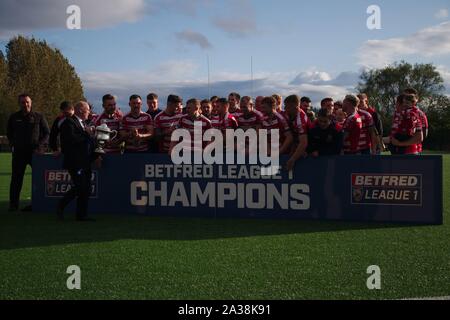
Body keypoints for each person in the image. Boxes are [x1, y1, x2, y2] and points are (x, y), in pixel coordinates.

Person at [57, 101, 101, 221]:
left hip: (85, 161)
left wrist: (96, 153)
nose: (89, 112)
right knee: (80, 186)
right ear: (81, 110)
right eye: (88, 110)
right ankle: (61, 205)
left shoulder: (84, 124)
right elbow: (71, 140)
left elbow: (89, 142)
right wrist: (87, 134)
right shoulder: (69, 123)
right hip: (75, 162)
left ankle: (81, 215)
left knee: (85, 189)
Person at [7, 94, 50, 212]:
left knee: (40, 178)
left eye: (27, 102)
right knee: (16, 179)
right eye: (22, 102)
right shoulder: (14, 117)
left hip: (35, 153)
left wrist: (41, 147)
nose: (25, 104)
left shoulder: (38, 116)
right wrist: (13, 144)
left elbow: (47, 133)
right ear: (19, 103)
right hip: (19, 154)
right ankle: (13, 204)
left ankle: (38, 203)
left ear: (31, 102)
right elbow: (9, 133)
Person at [283, 95, 308, 170]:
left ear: (295, 106)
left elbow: (303, 142)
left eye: (287, 107)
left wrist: (293, 159)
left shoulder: (300, 120)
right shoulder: (289, 115)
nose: (285, 109)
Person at [404, 88, 428, 154]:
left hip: (414, 149)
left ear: (415, 99)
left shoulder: (419, 113)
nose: (405, 98)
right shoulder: (403, 112)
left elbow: (424, 134)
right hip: (403, 148)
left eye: (408, 96)